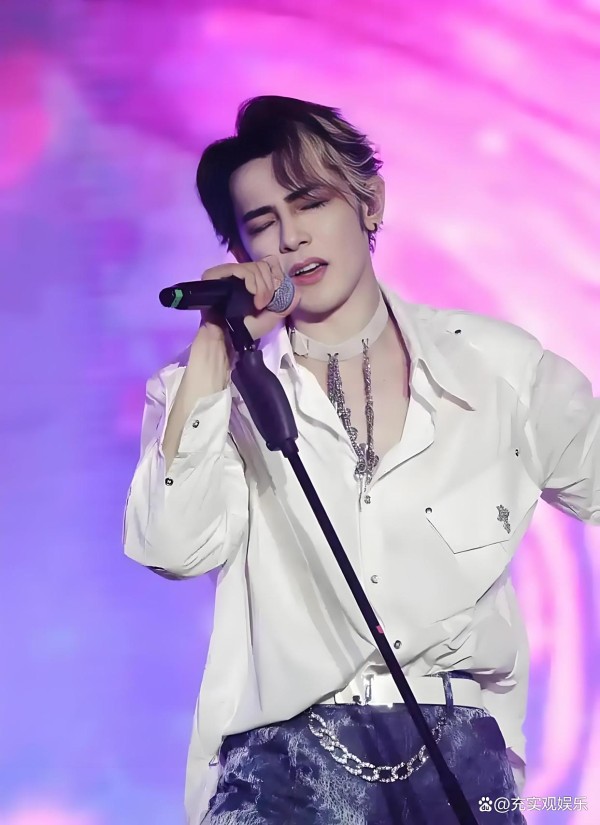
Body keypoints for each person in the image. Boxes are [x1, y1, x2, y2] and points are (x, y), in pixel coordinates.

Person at [123, 95, 600, 824]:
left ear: (369, 202)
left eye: (310, 202)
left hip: (458, 765)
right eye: (262, 223)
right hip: (284, 773)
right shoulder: (210, 393)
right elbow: (170, 547)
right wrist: (217, 340)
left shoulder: (499, 370)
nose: (292, 236)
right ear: (242, 251)